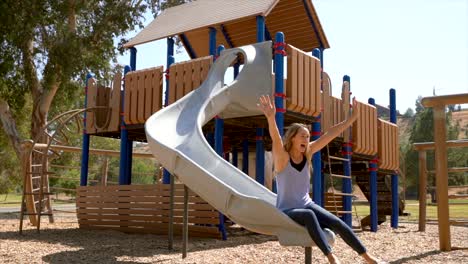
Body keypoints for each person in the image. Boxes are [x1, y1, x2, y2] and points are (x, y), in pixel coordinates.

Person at [257, 95, 386, 264]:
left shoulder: (308, 153)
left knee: (338, 223)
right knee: (309, 215)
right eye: (303, 136)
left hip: (307, 204)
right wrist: (271, 117)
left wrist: (350, 119)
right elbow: (275, 138)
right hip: (287, 210)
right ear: (293, 138)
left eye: (308, 137)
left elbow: (329, 134)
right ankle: (330, 256)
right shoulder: (283, 158)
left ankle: (367, 257)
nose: (306, 139)